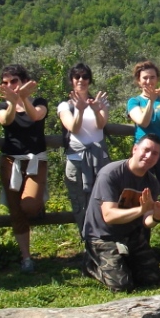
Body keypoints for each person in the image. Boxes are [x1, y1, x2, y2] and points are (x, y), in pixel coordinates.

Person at [82, 135, 160, 291]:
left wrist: (156, 216)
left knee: (152, 278)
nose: (149, 156)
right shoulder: (111, 174)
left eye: (155, 153)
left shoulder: (152, 183)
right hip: (102, 236)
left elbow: (146, 221)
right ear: (134, 149)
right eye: (146, 150)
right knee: (122, 285)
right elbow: (109, 216)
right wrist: (140, 209)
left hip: (130, 234)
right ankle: (91, 264)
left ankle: (123, 260)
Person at [0, 64, 48, 274]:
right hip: (10, 162)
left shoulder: (39, 102)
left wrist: (23, 98)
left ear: (24, 81)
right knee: (16, 212)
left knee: (29, 206)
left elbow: (35, 116)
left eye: (14, 81)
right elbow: (6, 121)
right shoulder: (1, 106)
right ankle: (26, 257)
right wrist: (11, 102)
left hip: (36, 161)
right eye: (6, 83)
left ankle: (39, 207)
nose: (11, 86)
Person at [58, 62, 110, 236]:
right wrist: (79, 110)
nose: (81, 80)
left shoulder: (100, 102)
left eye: (85, 76)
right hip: (76, 159)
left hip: (100, 159)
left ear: (90, 80)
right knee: (80, 201)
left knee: (103, 198)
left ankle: (103, 237)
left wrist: (96, 109)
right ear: (71, 80)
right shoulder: (65, 106)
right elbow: (73, 128)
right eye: (77, 77)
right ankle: (87, 238)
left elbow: (101, 124)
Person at [127, 60, 160, 199]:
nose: (149, 81)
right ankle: (143, 220)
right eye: (145, 78)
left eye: (152, 77)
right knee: (142, 193)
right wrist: (150, 100)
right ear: (138, 81)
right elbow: (143, 122)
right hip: (143, 153)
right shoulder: (134, 101)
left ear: (157, 79)